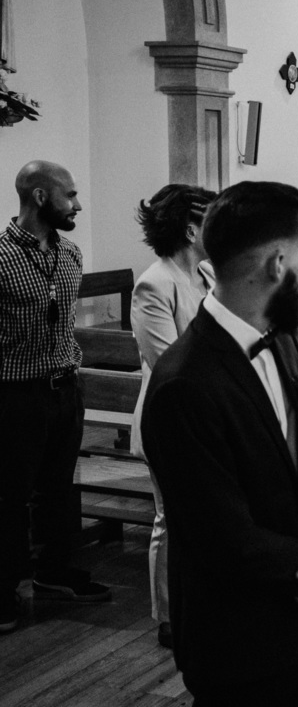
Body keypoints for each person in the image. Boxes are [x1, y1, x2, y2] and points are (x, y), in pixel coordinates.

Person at [141, 182, 298, 706]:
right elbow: (222, 536)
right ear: (278, 264)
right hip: (241, 643)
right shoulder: (183, 384)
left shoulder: (280, 337)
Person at [1, 161, 108, 635]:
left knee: (58, 489)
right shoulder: (1, 257)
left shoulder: (70, 254)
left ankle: (53, 572)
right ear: (41, 197)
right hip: (15, 393)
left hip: (65, 387)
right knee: (8, 496)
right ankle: (3, 588)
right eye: (71, 195)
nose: (77, 205)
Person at [129, 183, 217, 649]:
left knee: (204, 518)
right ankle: (168, 615)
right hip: (172, 421)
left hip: (209, 417)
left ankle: (202, 602)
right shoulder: (155, 283)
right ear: (190, 229)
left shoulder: (206, 274)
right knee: (172, 519)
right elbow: (169, 365)